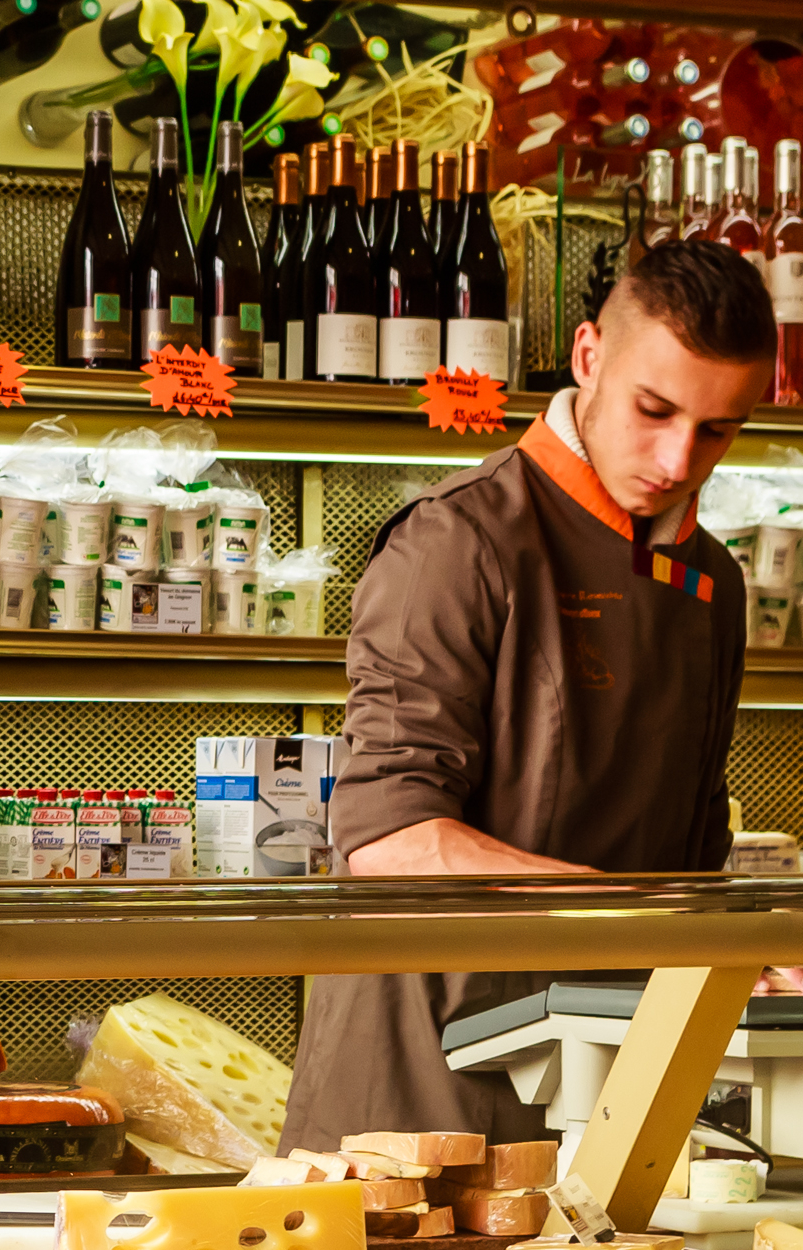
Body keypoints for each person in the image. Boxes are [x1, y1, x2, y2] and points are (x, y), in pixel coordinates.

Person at [277, 237, 775, 1152]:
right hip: (430, 1083)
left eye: (716, 429)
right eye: (654, 410)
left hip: (616, 1081)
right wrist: (630, 912)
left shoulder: (713, 582)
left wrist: (756, 949)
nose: (676, 458)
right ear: (589, 356)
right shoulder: (457, 544)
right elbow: (388, 840)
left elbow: (699, 851)